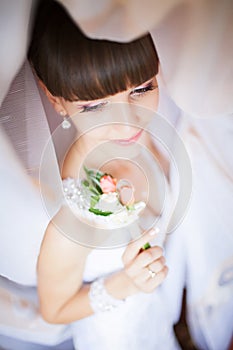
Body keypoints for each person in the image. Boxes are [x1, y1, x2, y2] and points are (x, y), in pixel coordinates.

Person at [27, 1, 183, 349]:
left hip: (160, 310)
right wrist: (128, 283)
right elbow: (54, 309)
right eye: (95, 106)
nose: (129, 122)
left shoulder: (153, 130)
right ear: (56, 100)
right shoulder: (74, 217)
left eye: (142, 88)